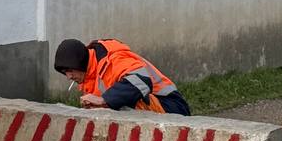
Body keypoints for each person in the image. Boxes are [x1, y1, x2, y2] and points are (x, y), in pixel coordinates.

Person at [54, 38, 191, 115]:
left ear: (80, 62)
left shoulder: (113, 58)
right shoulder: (90, 72)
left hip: (172, 107)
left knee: (127, 99)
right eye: (64, 72)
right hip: (158, 108)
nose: (68, 76)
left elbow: (141, 82)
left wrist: (103, 100)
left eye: (70, 70)